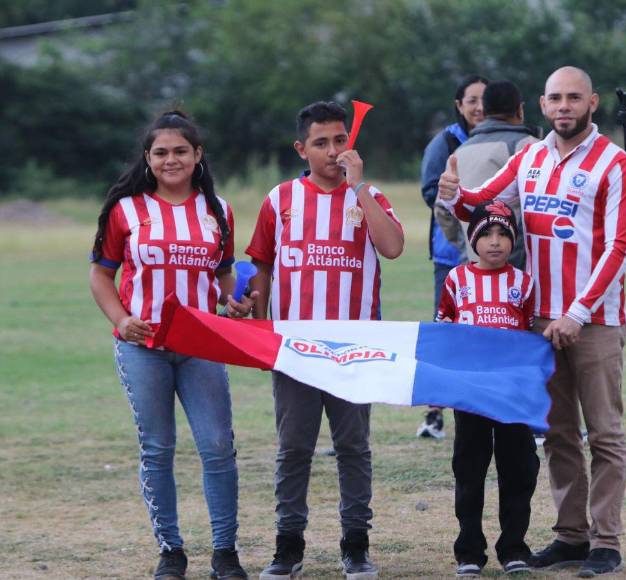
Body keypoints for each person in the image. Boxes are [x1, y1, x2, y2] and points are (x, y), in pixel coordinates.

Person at [438, 66, 626, 577]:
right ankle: (571, 535)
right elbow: (482, 206)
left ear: (592, 102)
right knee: (557, 433)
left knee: (605, 434)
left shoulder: (615, 164)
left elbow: (619, 248)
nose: (564, 106)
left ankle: (606, 542)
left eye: (574, 97)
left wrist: (578, 312)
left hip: (593, 319)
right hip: (538, 322)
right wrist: (452, 195)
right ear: (542, 105)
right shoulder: (529, 155)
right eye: (555, 98)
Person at [89, 111, 253, 580]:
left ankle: (225, 553)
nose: (171, 159)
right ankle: (171, 552)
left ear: (198, 155)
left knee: (218, 447)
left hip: (201, 343)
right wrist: (122, 320)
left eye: (181, 150)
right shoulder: (126, 210)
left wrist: (234, 300)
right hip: (144, 348)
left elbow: (223, 274)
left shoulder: (218, 208)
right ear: (148, 158)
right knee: (157, 448)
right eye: (161, 152)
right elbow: (101, 275)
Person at [246, 101, 404, 580]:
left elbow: (393, 248)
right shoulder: (280, 199)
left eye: (340, 140)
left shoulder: (370, 195)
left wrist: (359, 188)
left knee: (353, 447)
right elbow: (262, 267)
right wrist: (257, 325)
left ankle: (355, 544)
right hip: (294, 349)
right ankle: (288, 545)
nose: (333, 151)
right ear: (302, 148)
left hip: (355, 349)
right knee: (293, 449)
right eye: (321, 142)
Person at [436, 200, 538, 578]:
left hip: (510, 395)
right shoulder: (456, 281)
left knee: (519, 469)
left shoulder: (523, 284)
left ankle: (514, 547)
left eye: (503, 235)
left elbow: (530, 337)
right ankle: (469, 551)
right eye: (486, 234)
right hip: (470, 394)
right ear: (473, 239)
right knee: (469, 469)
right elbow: (442, 329)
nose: (494, 242)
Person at [417, 74, 488, 439]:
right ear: (459, 105)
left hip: (495, 254)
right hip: (452, 254)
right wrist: (467, 209)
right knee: (445, 328)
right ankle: (434, 413)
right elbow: (431, 190)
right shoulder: (445, 142)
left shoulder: (500, 139)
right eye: (471, 100)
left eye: (485, 100)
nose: (479, 107)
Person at [435, 79, 541, 268]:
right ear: (520, 109)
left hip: (474, 264)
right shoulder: (530, 147)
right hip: (519, 266)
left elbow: (443, 208)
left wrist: (467, 246)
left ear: (485, 110)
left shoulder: (459, 152)